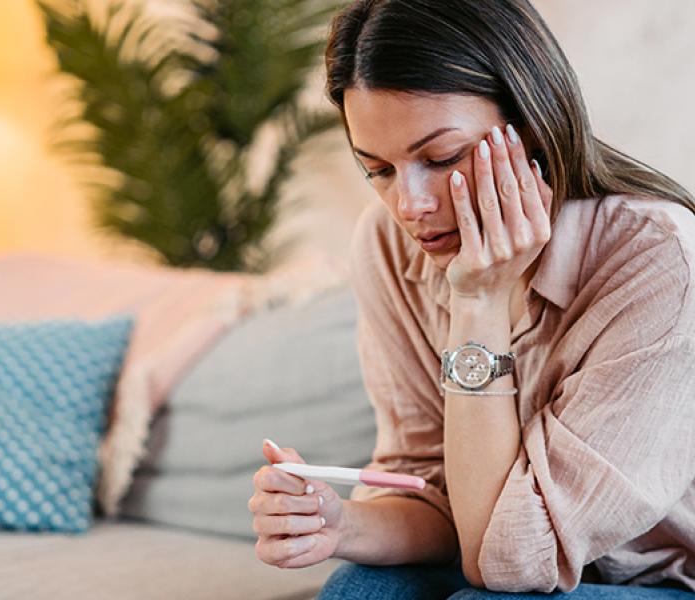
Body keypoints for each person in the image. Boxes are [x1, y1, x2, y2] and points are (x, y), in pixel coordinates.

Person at [247, 1, 695, 597]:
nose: (410, 206)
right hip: (497, 557)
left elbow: (509, 564)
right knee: (360, 588)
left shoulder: (659, 261)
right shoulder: (388, 246)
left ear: (533, 130)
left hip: (660, 580)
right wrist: (339, 523)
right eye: (377, 170)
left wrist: (479, 303)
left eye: (441, 159)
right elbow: (434, 494)